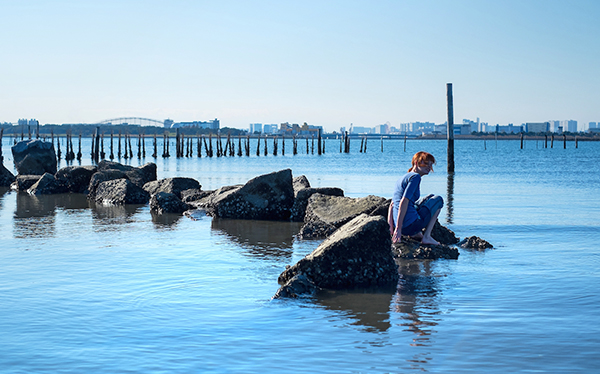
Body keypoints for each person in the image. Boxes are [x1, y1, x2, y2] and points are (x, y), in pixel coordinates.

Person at [388, 151, 443, 245]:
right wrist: (398, 230)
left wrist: (391, 228)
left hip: (403, 226)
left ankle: (416, 234)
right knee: (438, 200)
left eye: (430, 165)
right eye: (426, 164)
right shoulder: (415, 177)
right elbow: (404, 201)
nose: (429, 167)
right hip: (410, 226)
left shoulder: (403, 177)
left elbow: (392, 205)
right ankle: (427, 237)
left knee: (429, 197)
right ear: (416, 163)